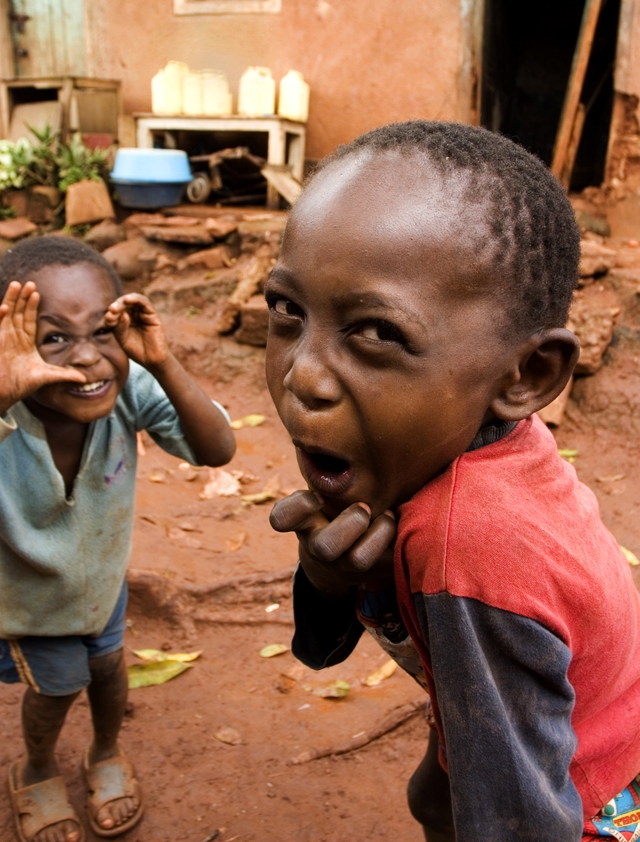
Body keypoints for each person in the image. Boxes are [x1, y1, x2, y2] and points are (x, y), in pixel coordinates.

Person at [264, 121, 640, 842]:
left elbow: (519, 822)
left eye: (375, 331)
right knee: (434, 796)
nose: (301, 376)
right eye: (288, 311)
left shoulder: (472, 543)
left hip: (588, 800)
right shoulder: (474, 446)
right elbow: (321, 648)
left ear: (525, 376)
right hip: (582, 736)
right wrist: (330, 582)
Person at [0, 236, 235, 842]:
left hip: (102, 584)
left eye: (102, 331)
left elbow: (217, 449)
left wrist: (160, 361)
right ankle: (37, 768)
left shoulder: (128, 389)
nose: (87, 360)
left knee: (108, 670)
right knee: (58, 687)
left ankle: (105, 751)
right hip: (29, 601)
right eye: (55, 337)